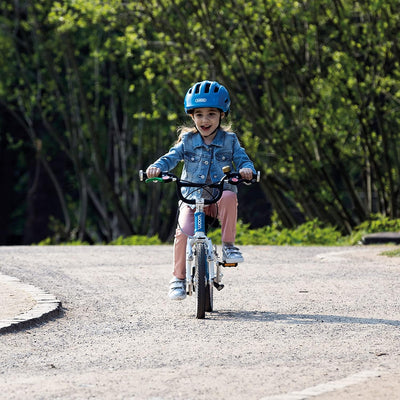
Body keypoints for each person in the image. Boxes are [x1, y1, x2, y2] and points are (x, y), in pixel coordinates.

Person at [146, 80, 256, 300]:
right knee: (182, 233)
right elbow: (171, 157)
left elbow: (243, 159)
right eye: (199, 115)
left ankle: (229, 246)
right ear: (192, 116)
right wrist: (157, 167)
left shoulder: (230, 141)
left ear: (222, 115)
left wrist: (246, 170)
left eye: (211, 114)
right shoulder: (187, 140)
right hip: (191, 198)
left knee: (229, 194)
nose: (205, 120)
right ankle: (178, 278)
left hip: (217, 199)